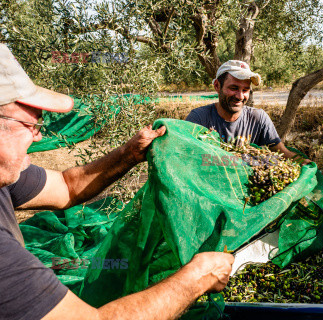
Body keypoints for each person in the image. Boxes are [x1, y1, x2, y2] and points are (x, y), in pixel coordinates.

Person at [0, 44, 234, 320]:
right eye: (32, 125)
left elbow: (66, 186)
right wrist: (195, 279)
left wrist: (129, 153)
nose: (39, 137)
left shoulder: (5, 179)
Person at [186, 60, 308, 163]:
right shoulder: (199, 118)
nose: (240, 96)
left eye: (245, 90)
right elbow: (184, 152)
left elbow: (281, 152)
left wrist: (305, 163)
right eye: (233, 88)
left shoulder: (258, 118)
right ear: (217, 86)